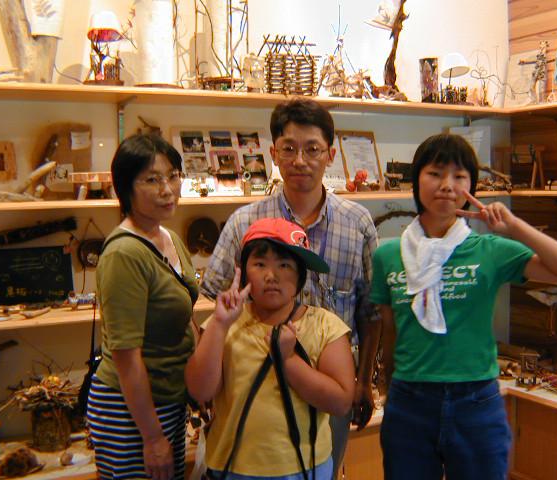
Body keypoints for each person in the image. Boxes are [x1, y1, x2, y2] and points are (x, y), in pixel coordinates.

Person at [370, 134, 557, 480]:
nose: (447, 185)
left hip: (475, 402)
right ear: (416, 179)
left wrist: (514, 226)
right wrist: (387, 390)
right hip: (409, 402)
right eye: (435, 173)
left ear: (471, 186)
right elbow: (389, 330)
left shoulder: (490, 249)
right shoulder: (387, 255)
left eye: (459, 176)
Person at [201, 98, 381, 476]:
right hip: (254, 389)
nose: (300, 160)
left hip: (332, 385)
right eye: (289, 148)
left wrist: (364, 381)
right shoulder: (244, 222)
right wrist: (213, 379)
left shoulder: (358, 222)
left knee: (322, 468)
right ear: (273, 154)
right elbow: (208, 304)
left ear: (330, 154)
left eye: (312, 149)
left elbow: (371, 310)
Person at [186, 218, 355, 479]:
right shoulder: (224, 323)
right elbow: (200, 390)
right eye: (260, 264)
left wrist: (288, 361)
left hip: (305, 469)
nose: (271, 275)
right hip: (232, 468)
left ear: (300, 274)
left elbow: (341, 402)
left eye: (284, 265)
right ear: (243, 271)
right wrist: (219, 324)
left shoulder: (324, 326)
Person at [87, 134, 199, 480]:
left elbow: (184, 316)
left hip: (169, 398)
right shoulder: (124, 254)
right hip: (132, 410)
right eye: (152, 180)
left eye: (173, 176)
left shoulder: (169, 237)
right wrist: (151, 437)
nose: (167, 189)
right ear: (126, 189)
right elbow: (125, 355)